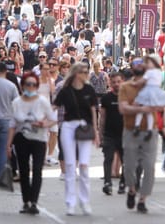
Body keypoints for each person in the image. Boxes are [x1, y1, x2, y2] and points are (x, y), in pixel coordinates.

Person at [7, 72, 57, 214]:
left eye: (34, 84)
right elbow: (12, 125)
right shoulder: (16, 102)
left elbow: (53, 118)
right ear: (22, 86)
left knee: (37, 171)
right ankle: (26, 201)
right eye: (28, 84)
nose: (31, 87)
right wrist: (8, 145)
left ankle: (34, 202)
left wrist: (44, 123)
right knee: (23, 171)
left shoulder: (42, 101)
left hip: (39, 139)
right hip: (21, 139)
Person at [53, 62, 99, 216]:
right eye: (83, 71)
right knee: (71, 165)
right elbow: (55, 107)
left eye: (87, 71)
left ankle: (85, 201)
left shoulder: (89, 90)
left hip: (85, 128)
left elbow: (93, 111)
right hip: (68, 127)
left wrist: (96, 132)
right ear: (75, 73)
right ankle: (70, 202)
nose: (86, 74)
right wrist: (44, 119)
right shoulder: (65, 90)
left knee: (84, 165)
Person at [118, 57, 161, 213]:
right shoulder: (126, 87)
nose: (139, 66)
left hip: (151, 131)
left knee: (149, 166)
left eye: (141, 64)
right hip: (131, 130)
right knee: (129, 166)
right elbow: (123, 109)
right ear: (132, 68)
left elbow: (160, 105)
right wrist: (140, 109)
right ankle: (131, 189)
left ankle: (143, 199)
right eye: (136, 64)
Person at [100, 72, 125, 195]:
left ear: (122, 82)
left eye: (118, 82)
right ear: (110, 83)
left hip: (125, 134)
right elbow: (102, 117)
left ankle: (123, 182)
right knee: (108, 158)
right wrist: (100, 134)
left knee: (126, 159)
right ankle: (107, 182)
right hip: (109, 134)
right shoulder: (106, 98)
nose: (116, 84)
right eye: (114, 82)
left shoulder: (127, 97)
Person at [132, 56, 165, 141]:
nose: (146, 65)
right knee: (149, 112)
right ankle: (149, 129)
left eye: (148, 63)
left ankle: (137, 125)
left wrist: (135, 83)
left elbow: (142, 81)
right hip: (157, 91)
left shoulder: (149, 72)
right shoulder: (159, 72)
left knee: (141, 108)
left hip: (149, 90)